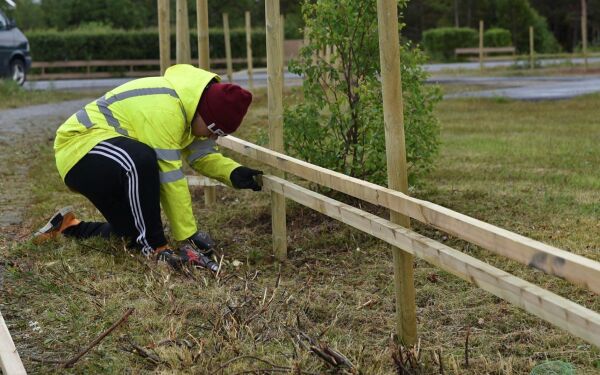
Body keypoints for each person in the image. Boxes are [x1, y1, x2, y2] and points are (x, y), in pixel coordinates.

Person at [33, 64, 263, 271]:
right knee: (142, 160)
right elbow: (170, 176)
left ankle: (68, 226)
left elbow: (201, 154)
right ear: (207, 116)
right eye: (214, 131)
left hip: (108, 159)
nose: (213, 137)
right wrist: (188, 235)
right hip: (80, 147)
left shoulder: (192, 108)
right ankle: (155, 250)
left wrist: (232, 172)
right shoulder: (166, 108)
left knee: (131, 234)